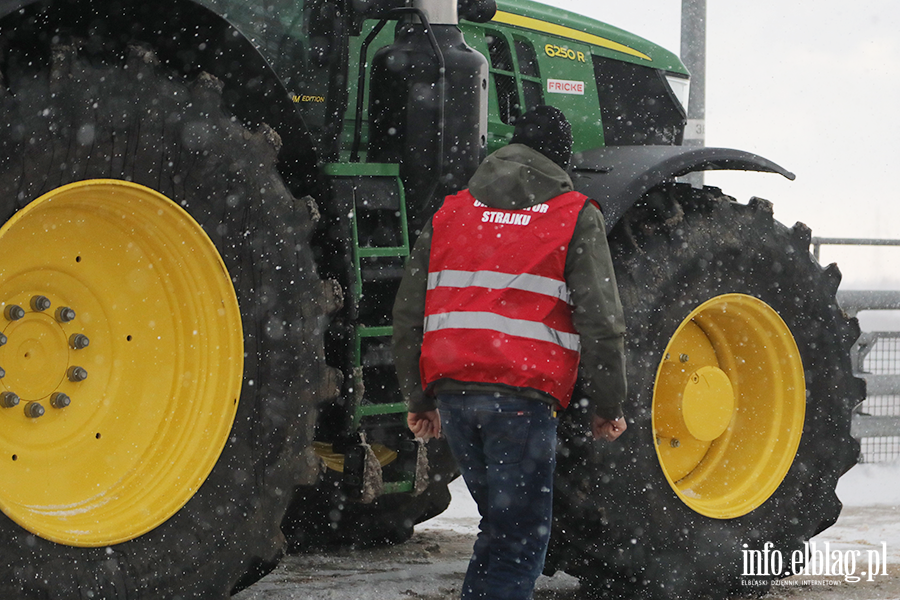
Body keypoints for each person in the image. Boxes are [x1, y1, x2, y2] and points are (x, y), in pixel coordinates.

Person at [392, 105, 627, 600]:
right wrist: (608, 405)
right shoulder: (573, 215)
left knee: (500, 530)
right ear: (561, 158)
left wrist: (419, 398)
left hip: (455, 397)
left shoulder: (452, 211)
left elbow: (410, 314)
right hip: (521, 399)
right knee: (519, 540)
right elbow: (601, 322)